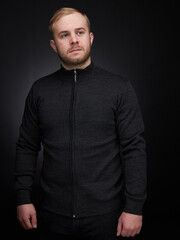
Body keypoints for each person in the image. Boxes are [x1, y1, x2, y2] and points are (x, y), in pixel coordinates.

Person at [15, 7, 147, 240]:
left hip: (108, 217)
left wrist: (134, 207)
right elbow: (27, 146)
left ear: (90, 37)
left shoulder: (119, 88)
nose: (74, 40)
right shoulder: (40, 90)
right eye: (64, 35)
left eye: (80, 32)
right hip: (52, 217)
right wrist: (23, 198)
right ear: (54, 45)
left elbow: (133, 149)